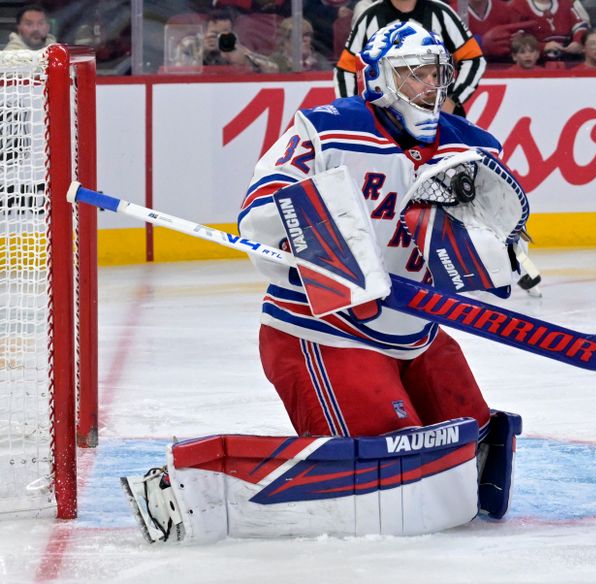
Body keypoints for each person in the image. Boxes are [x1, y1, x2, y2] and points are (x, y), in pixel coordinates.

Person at [123, 21, 524, 544]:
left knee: (476, 453)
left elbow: (493, 249)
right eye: (413, 74)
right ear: (379, 79)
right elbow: (259, 216)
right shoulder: (327, 129)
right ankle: (193, 493)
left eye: (434, 74)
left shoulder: (470, 147)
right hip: (320, 331)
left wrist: (490, 252)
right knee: (389, 470)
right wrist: (321, 246)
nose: (428, 86)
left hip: (415, 333)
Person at [335, 0, 486, 117]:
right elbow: (345, 69)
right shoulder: (370, 17)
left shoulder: (441, 13)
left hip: (437, 113)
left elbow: (474, 59)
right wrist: (352, 109)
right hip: (385, 117)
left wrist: (453, 99)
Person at [506, 0, 590, 67]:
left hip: (568, 57)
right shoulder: (518, 5)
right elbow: (516, 38)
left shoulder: (565, 3)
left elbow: (581, 26)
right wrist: (543, 46)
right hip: (536, 61)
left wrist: (577, 42)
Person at [201, 9, 278, 73]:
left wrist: (245, 60)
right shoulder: (196, 49)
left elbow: (273, 68)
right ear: (205, 33)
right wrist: (202, 53)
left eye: (224, 34)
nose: (220, 38)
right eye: (215, 34)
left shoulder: (238, 51)